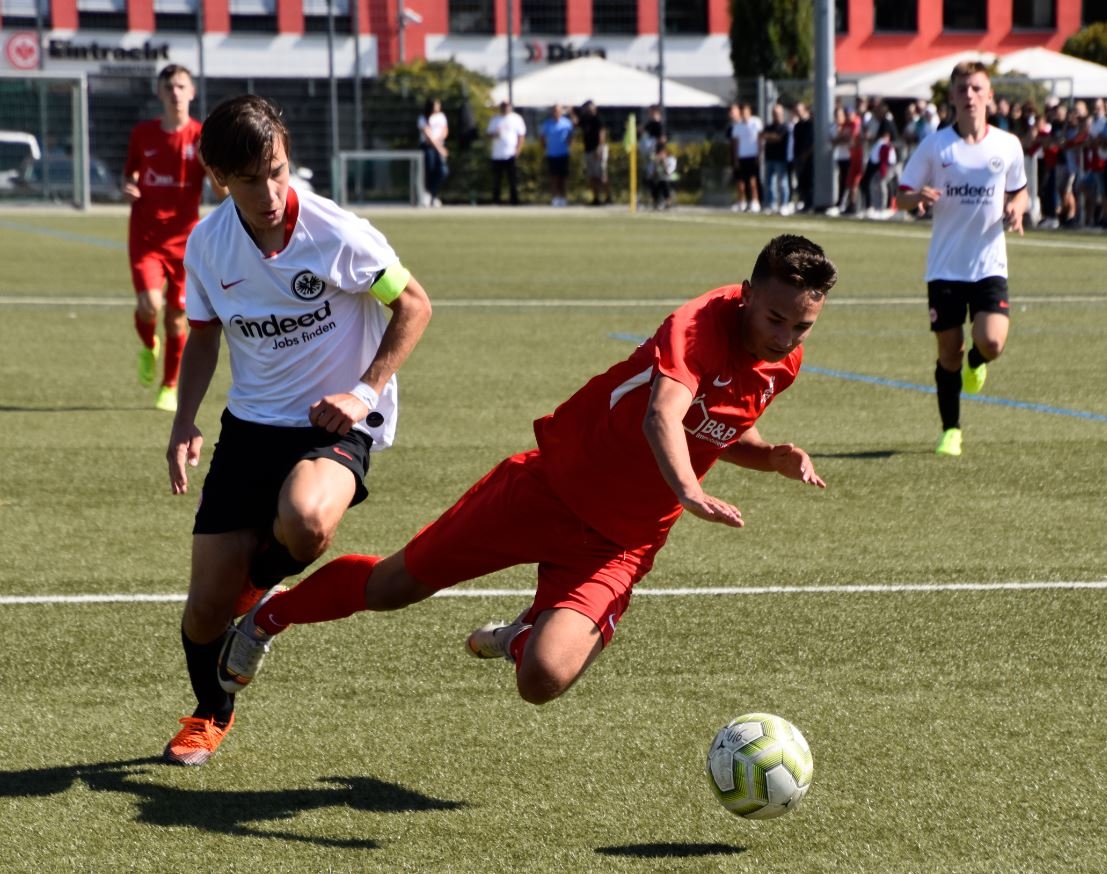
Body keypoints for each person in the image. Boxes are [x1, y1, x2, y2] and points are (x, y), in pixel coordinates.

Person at [217, 234, 837, 717]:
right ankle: (272, 615)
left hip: (622, 540)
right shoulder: (698, 326)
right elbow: (663, 415)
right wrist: (689, 490)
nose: (785, 337)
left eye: (801, 326)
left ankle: (523, 635)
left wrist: (771, 454)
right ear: (749, 293)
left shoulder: (783, 362)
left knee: (541, 680)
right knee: (393, 587)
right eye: (775, 318)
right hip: (548, 489)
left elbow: (714, 429)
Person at [161, 94, 433, 766]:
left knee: (307, 520)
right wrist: (186, 421)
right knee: (202, 615)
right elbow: (202, 336)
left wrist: (362, 393)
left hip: (332, 423)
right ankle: (210, 712)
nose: (271, 191)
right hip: (249, 428)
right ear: (220, 179)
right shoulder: (208, 244)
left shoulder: (337, 232)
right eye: (251, 180)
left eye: (277, 170)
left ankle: (259, 597)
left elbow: (414, 305)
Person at [897, 60, 1028, 458]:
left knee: (991, 342)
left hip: (989, 263)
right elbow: (902, 194)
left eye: (976, 88)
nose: (969, 96)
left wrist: (1018, 208)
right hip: (945, 267)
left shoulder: (1008, 145)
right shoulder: (936, 146)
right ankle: (951, 430)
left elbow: (1020, 190)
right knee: (947, 353)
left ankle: (978, 361)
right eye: (961, 90)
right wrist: (916, 198)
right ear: (952, 97)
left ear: (989, 95)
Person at [122, 64, 227, 413]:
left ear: (192, 92)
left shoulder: (201, 137)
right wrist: (129, 185)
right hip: (147, 236)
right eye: (169, 86)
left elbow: (221, 191)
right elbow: (131, 173)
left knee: (177, 317)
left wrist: (208, 163)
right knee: (150, 305)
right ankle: (148, 342)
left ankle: (168, 386)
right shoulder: (143, 133)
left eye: (181, 86)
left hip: (185, 242)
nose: (175, 92)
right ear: (159, 93)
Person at [486, 100, 526, 205]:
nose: (505, 107)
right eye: (503, 106)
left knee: (512, 179)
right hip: (497, 154)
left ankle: (514, 201)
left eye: (507, 105)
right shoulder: (495, 119)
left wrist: (518, 150)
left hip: (510, 153)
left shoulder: (516, 119)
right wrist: (495, 134)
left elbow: (521, 135)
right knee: (497, 180)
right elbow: (488, 134)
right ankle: (496, 200)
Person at [575, 100, 611, 205]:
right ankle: (596, 198)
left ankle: (608, 197)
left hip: (598, 149)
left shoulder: (598, 118)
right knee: (592, 175)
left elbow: (602, 133)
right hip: (589, 149)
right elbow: (576, 124)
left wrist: (599, 148)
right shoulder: (585, 119)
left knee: (601, 174)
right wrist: (571, 112)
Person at [729, 102, 763, 213]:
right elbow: (735, 143)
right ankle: (742, 202)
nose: (744, 115)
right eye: (742, 113)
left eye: (746, 112)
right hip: (742, 156)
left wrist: (759, 154)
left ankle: (755, 201)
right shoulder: (737, 126)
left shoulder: (756, 122)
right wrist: (736, 159)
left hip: (752, 156)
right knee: (741, 182)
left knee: (753, 181)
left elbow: (759, 139)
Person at [539, 103, 574, 206]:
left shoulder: (567, 123)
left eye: (558, 110)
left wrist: (569, 145)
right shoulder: (547, 123)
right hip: (552, 154)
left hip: (563, 153)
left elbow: (571, 136)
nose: (556, 112)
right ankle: (555, 198)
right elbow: (542, 137)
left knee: (563, 178)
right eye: (554, 110)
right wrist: (545, 148)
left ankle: (563, 198)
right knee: (553, 177)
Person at [417, 97, 448, 207]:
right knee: (429, 171)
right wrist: (439, 148)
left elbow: (445, 130)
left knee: (442, 171)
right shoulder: (423, 118)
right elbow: (428, 136)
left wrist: (440, 143)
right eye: (436, 104)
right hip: (428, 148)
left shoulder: (441, 117)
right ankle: (427, 195)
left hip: (439, 146)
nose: (438, 106)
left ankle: (432, 195)